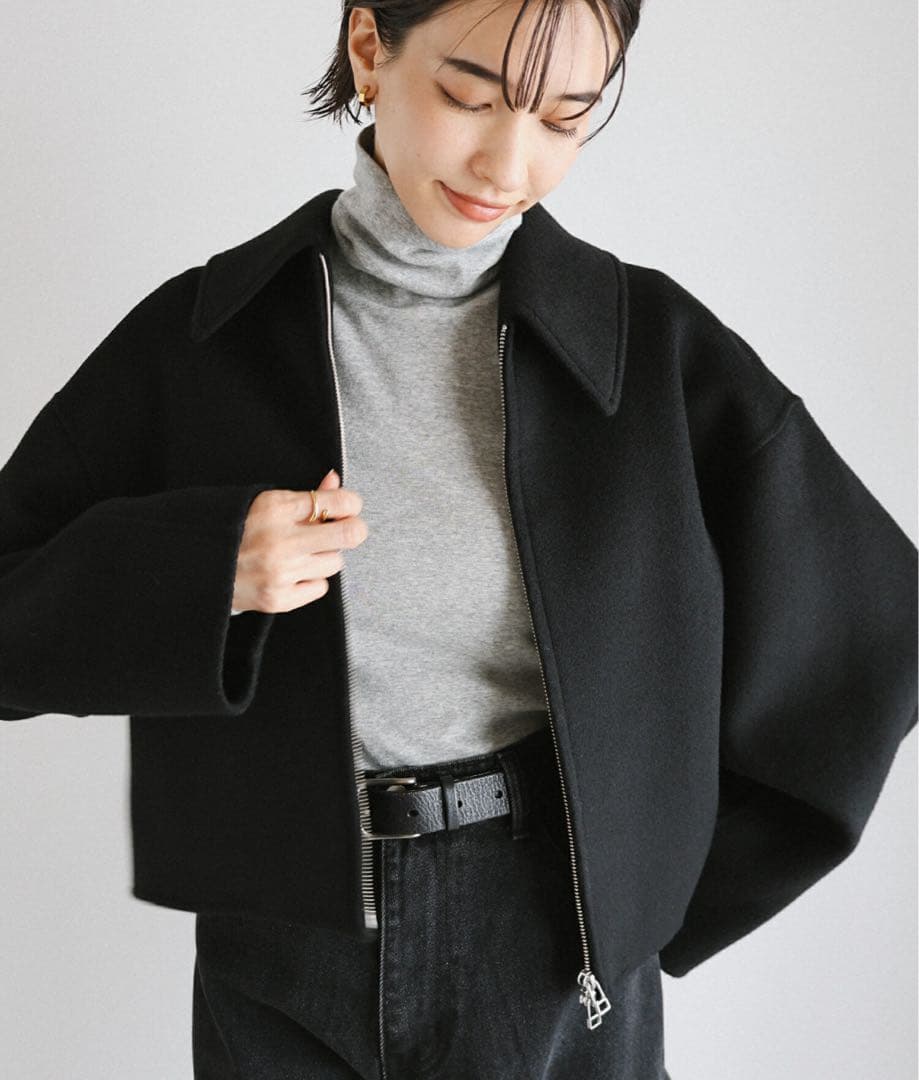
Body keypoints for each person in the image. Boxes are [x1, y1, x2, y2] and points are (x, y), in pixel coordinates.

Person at [1, 1, 915, 1078]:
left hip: (544, 948)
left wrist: (652, 881)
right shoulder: (203, 338)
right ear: (369, 48)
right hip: (277, 947)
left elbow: (873, 629)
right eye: (470, 96)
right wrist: (204, 568)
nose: (509, 164)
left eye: (565, 118)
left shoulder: (651, 355)